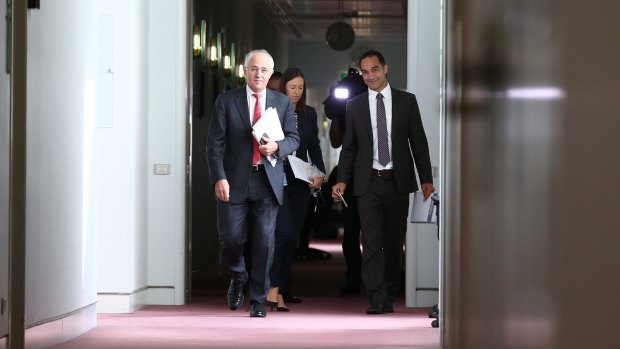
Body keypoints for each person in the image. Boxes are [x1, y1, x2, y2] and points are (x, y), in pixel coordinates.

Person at [331, 50, 435, 314]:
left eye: (374, 70)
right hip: (368, 183)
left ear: (385, 69)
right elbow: (349, 148)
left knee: (393, 242)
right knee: (371, 242)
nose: (370, 76)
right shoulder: (354, 105)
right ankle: (376, 298)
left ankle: (389, 291)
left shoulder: (406, 102)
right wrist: (342, 180)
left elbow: (418, 142)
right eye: (365, 72)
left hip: (398, 182)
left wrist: (426, 179)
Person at [206, 49, 300, 318]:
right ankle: (238, 274)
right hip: (233, 181)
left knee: (264, 243)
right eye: (254, 69)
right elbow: (214, 144)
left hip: (267, 179)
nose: (259, 74)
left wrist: (277, 146)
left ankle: (258, 300)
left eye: (264, 70)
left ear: (271, 73)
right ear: (245, 71)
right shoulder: (226, 101)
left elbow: (294, 139)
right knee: (231, 239)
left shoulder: (282, 102)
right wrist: (219, 177)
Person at [266, 68, 326, 311]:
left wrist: (319, 174)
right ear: (283, 88)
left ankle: (280, 289)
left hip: (301, 180)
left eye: (301, 87)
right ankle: (272, 288)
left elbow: (314, 146)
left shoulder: (309, 114)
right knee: (284, 233)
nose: (297, 92)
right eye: (292, 87)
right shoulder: (273, 112)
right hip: (278, 179)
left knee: (293, 238)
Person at [324, 68, 367, 294]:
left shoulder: (373, 105)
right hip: (349, 176)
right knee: (351, 232)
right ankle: (352, 277)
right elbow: (335, 142)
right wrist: (339, 114)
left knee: (373, 234)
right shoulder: (342, 110)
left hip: (371, 175)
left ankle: (374, 278)